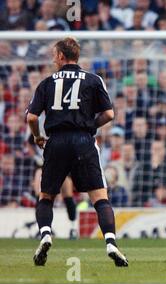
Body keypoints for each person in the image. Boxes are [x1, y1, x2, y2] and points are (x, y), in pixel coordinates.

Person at [26, 37, 128, 267]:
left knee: (47, 196)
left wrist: (37, 135)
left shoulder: (47, 82)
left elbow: (32, 117)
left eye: (54, 54)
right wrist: (90, 126)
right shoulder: (93, 80)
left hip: (56, 141)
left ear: (61, 56)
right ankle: (111, 243)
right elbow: (109, 114)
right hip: (83, 140)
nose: (53, 59)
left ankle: (45, 236)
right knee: (100, 198)